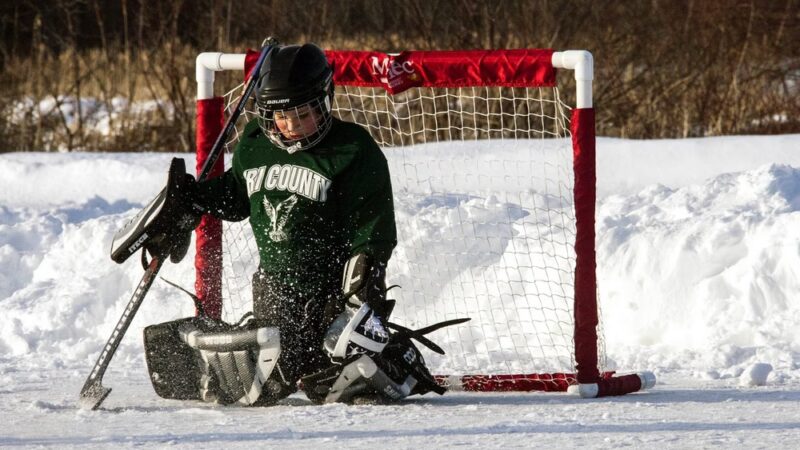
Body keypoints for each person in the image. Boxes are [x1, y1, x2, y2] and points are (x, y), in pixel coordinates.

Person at [137, 43, 447, 406]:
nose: (290, 124)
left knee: (340, 376)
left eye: (303, 113)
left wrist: (363, 285)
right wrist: (191, 200)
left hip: (332, 295)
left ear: (324, 100)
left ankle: (385, 358)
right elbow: (239, 197)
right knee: (265, 380)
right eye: (279, 116)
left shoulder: (353, 149)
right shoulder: (255, 144)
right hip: (275, 291)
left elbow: (373, 229)